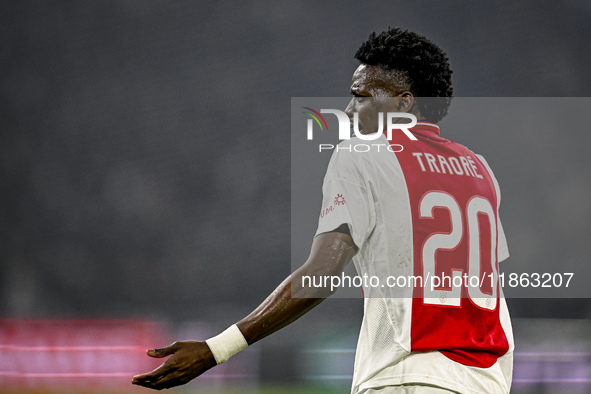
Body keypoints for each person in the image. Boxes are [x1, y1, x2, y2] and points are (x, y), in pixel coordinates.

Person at [132, 27, 514, 393]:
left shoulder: (363, 154)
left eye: (361, 96)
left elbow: (323, 273)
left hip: (408, 377)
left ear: (403, 102)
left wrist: (218, 349)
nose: (349, 109)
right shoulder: (480, 169)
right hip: (488, 380)